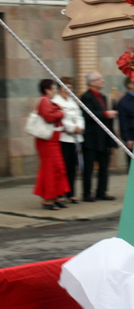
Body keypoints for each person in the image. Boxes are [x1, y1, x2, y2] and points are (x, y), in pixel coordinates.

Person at [33, 79, 70, 210]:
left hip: (53, 140)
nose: (55, 91)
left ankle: (57, 195)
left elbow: (52, 114)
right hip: (46, 141)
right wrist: (61, 113)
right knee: (49, 169)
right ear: (47, 89)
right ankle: (48, 199)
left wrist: (59, 113)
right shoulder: (43, 100)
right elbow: (49, 117)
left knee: (58, 168)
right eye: (53, 89)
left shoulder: (48, 101)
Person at [80, 71, 118, 202]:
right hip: (91, 138)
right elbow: (89, 114)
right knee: (89, 168)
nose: (102, 81)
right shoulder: (86, 97)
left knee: (104, 166)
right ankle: (87, 193)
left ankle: (101, 192)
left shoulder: (102, 97)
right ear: (91, 83)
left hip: (103, 138)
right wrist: (106, 114)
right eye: (99, 79)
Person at [52, 76, 85, 203]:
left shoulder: (73, 101)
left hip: (76, 139)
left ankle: (71, 193)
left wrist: (80, 127)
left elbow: (79, 116)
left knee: (73, 167)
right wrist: (73, 128)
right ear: (60, 88)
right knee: (63, 167)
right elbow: (61, 119)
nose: (68, 90)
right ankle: (60, 193)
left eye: (70, 87)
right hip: (63, 138)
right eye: (66, 87)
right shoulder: (56, 101)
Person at [117, 77, 134, 171]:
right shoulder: (124, 102)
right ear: (129, 85)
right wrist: (127, 138)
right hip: (133, 134)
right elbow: (123, 122)